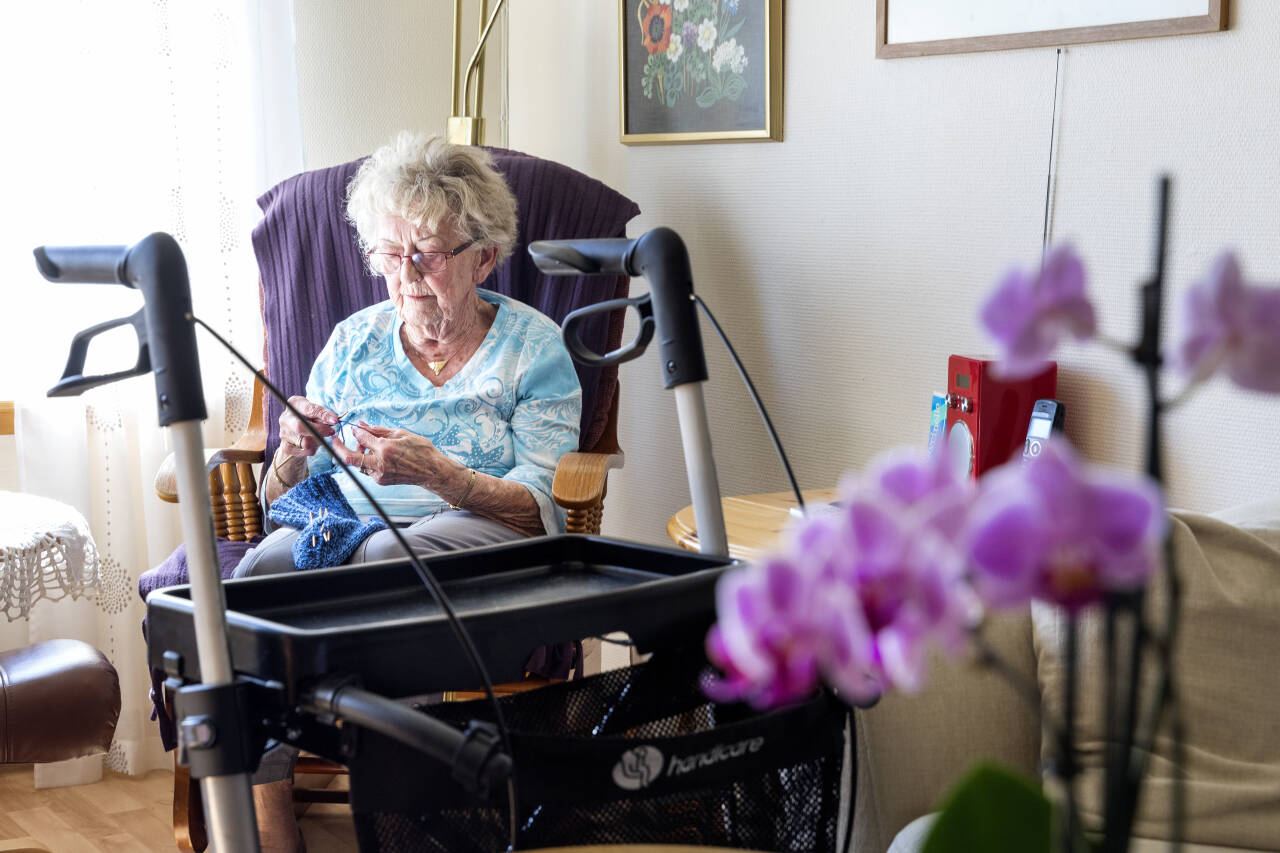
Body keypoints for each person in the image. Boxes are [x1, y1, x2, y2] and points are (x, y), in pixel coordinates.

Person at [238, 132, 582, 852]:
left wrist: (443, 476)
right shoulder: (352, 342)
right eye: (391, 255)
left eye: (426, 253)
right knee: (255, 583)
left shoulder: (534, 346)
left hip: (475, 531)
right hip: (345, 529)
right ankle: (271, 827)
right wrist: (294, 452)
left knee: (399, 564)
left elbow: (544, 504)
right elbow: (279, 499)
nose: (406, 273)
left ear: (483, 257)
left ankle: (403, 821)